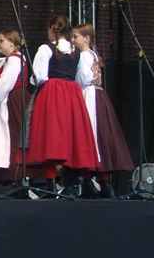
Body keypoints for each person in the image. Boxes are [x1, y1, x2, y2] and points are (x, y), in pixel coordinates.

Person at [24, 14, 99, 194]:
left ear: (52, 28)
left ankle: (51, 186)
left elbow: (39, 77)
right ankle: (75, 179)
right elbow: (85, 78)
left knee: (49, 137)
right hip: (72, 94)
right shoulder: (77, 51)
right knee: (71, 137)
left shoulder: (46, 48)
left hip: (51, 93)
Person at [72, 23, 134, 198]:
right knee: (97, 137)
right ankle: (100, 183)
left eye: (76, 37)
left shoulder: (84, 55)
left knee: (89, 137)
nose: (73, 40)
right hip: (97, 96)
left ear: (87, 38)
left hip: (89, 96)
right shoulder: (92, 54)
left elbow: (84, 78)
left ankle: (92, 183)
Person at [0, 30, 31, 190]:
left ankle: (18, 179)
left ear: (12, 42)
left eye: (1, 40)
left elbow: (4, 84)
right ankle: (13, 180)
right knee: (9, 137)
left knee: (12, 137)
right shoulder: (8, 60)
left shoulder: (15, 61)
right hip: (8, 100)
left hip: (12, 101)